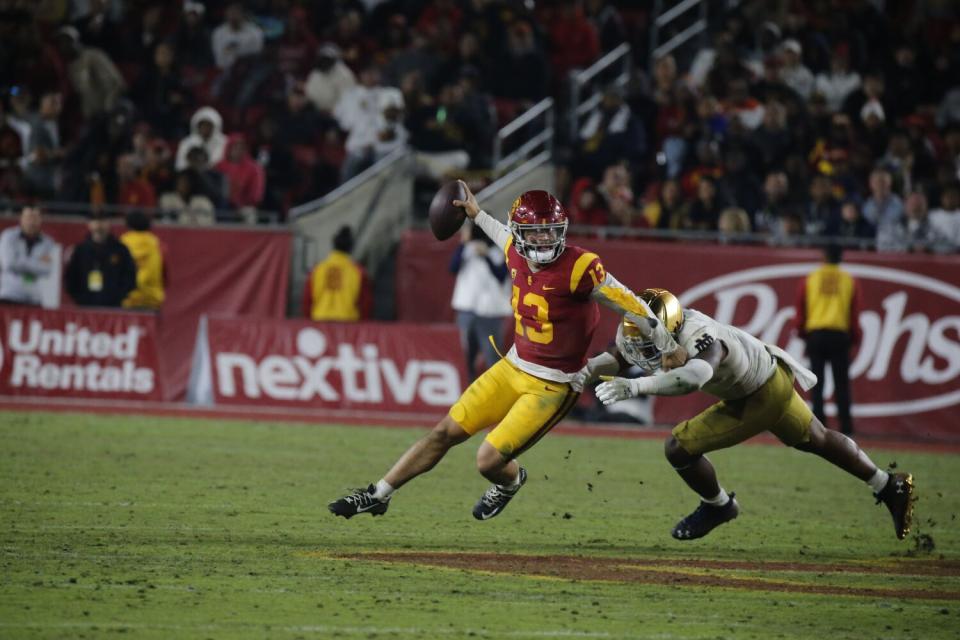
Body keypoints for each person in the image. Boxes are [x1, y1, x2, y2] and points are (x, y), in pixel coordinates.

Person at [328, 182, 686, 521]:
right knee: (443, 433)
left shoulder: (580, 267)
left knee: (487, 461)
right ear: (521, 234)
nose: (544, 238)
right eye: (535, 232)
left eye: (551, 230)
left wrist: (668, 347)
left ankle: (510, 482)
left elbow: (631, 304)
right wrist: (476, 213)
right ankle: (378, 494)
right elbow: (502, 234)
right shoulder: (513, 248)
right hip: (513, 367)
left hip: (553, 385)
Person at [591, 288, 914, 542]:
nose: (644, 352)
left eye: (651, 342)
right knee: (818, 438)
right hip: (770, 375)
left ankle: (719, 507)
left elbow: (692, 378)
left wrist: (636, 387)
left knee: (679, 447)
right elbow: (619, 356)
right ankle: (888, 485)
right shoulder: (643, 326)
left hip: (758, 394)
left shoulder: (702, 338)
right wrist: (582, 373)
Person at [794, 245, 861, 435]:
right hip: (840, 336)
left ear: (823, 256)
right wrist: (855, 337)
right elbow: (853, 313)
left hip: (816, 335)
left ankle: (818, 425)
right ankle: (846, 427)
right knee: (842, 384)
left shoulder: (811, 278)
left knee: (817, 383)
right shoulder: (849, 280)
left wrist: (802, 333)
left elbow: (801, 310)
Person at [450, 221, 512, 382]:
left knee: (492, 356)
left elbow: (500, 275)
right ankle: (466, 391)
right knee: (464, 357)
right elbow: (452, 267)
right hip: (467, 310)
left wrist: (486, 257)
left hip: (490, 314)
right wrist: (463, 244)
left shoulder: (498, 251)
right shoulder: (467, 249)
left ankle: (495, 394)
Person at [64, 212, 137, 308]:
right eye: (95, 221)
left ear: (109, 223)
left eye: (103, 221)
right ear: (89, 224)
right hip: (85, 307)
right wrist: (81, 299)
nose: (99, 225)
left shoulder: (120, 250)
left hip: (113, 308)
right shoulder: (80, 250)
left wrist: (118, 297)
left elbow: (130, 277)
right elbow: (70, 278)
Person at [302, 226, 371, 322]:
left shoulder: (317, 270)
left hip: (319, 322)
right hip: (348, 325)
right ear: (351, 247)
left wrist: (308, 322)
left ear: (334, 245)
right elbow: (365, 304)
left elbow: (307, 301)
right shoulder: (358, 272)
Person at [0, 206, 57, 305]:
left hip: (34, 297)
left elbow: (47, 269)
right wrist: (36, 263)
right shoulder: (9, 237)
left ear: (40, 220)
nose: (32, 221)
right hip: (9, 295)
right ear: (21, 218)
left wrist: (19, 260)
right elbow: (8, 264)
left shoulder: (47, 242)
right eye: (29, 217)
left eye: (35, 217)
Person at [120, 210, 165, 311]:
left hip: (129, 300)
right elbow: (163, 273)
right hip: (151, 300)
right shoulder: (156, 244)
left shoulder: (123, 243)